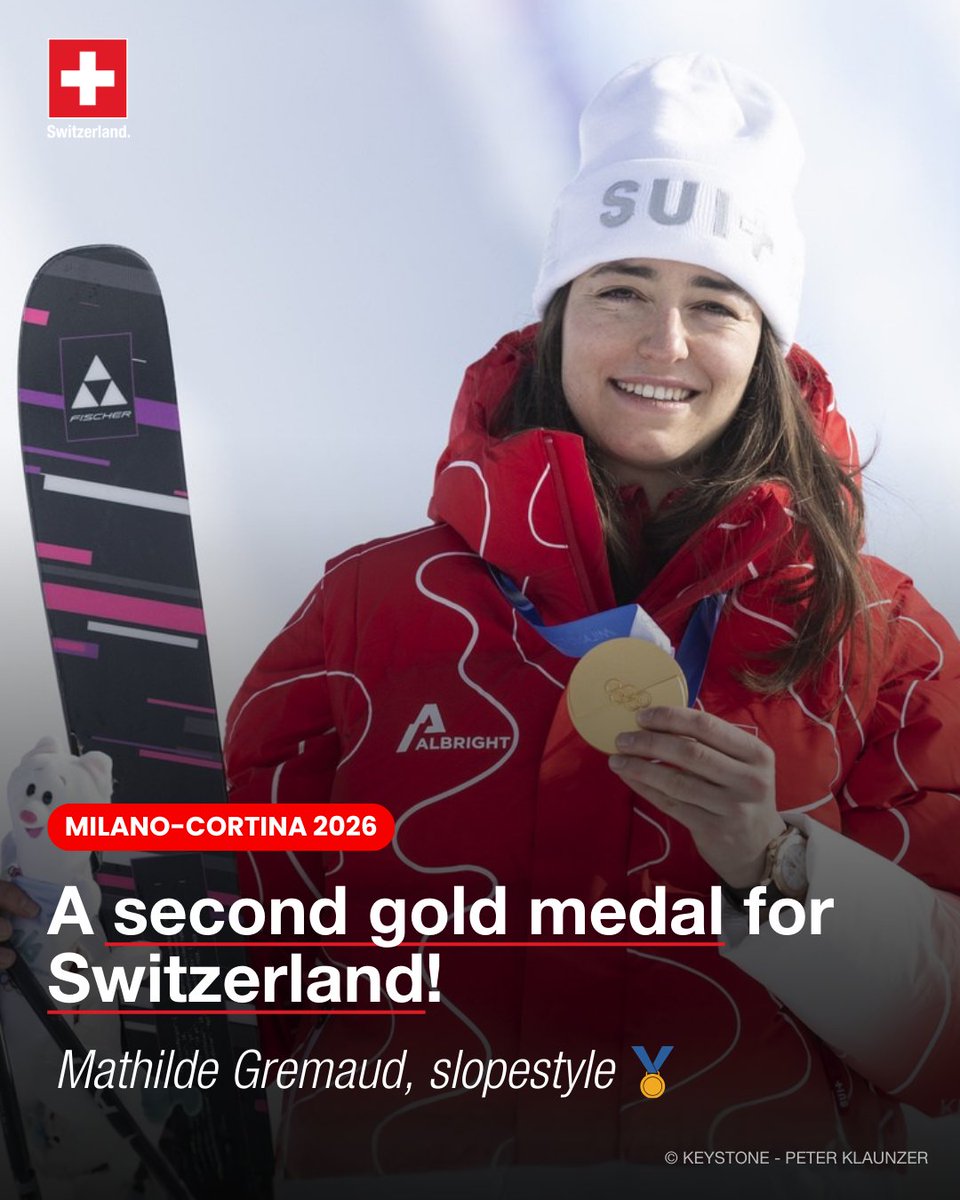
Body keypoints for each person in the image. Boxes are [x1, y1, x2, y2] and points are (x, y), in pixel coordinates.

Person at [224, 54, 960, 1194]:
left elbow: (948, 1046)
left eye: (714, 303)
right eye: (621, 288)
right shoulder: (370, 615)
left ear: (766, 347)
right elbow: (234, 958)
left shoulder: (880, 641)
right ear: (560, 314)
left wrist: (775, 868)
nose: (665, 342)